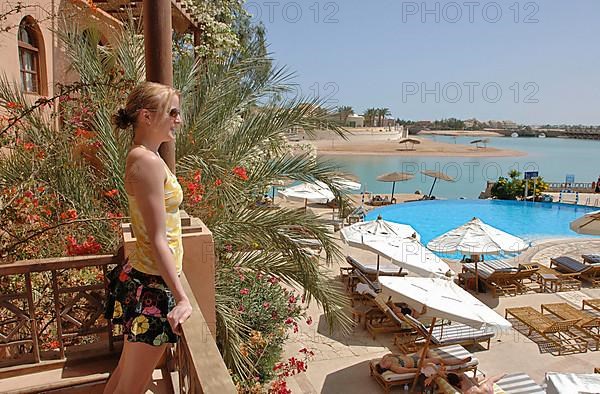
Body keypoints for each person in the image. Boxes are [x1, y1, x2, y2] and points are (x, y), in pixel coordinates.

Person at [103, 82, 192, 394]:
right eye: (173, 112)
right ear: (146, 116)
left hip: (144, 280)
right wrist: (182, 298)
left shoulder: (145, 157)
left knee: (125, 375)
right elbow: (157, 239)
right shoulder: (147, 161)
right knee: (133, 385)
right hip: (153, 289)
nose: (178, 120)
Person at [376, 347, 471, 375]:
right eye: (384, 364)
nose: (385, 361)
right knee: (439, 359)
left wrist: (382, 363)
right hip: (418, 363)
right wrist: (421, 369)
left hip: (414, 357)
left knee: (426, 348)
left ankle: (434, 362)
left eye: (383, 362)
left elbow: (389, 355)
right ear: (385, 368)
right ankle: (460, 362)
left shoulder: (386, 359)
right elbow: (409, 371)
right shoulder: (395, 368)